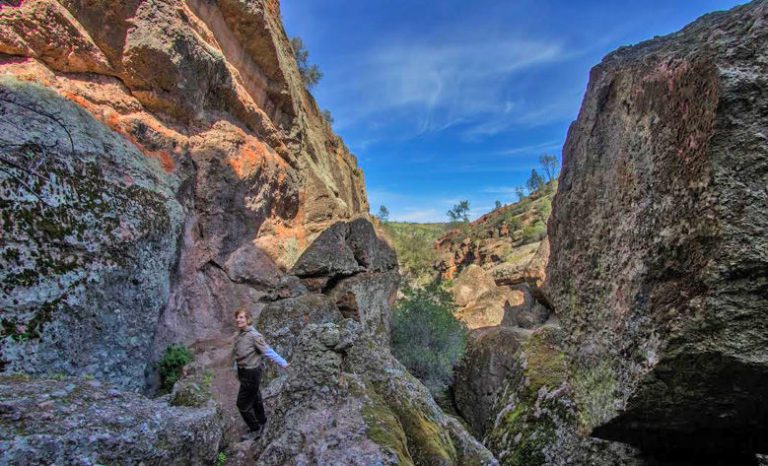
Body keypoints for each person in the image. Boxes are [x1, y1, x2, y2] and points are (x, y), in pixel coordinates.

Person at [232, 308, 289, 440]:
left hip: (251, 373)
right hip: (244, 372)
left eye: (241, 317)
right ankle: (262, 420)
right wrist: (236, 367)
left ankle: (255, 428)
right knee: (255, 396)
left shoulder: (254, 336)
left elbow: (268, 351)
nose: (238, 320)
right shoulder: (240, 334)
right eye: (237, 317)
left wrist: (283, 362)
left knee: (242, 404)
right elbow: (239, 354)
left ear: (248, 319)